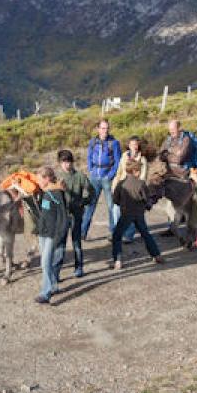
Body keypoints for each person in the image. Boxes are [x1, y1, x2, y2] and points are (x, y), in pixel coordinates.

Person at [111, 159, 164, 270]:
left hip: (126, 213)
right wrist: (148, 205)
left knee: (117, 236)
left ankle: (118, 260)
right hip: (139, 213)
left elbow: (115, 200)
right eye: (138, 170)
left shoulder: (121, 184)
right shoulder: (141, 184)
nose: (140, 172)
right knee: (146, 234)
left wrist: (123, 204)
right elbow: (147, 199)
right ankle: (156, 255)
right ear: (134, 171)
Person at [55, 150, 95, 278]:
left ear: (72, 162)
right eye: (64, 162)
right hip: (62, 216)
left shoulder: (80, 176)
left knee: (76, 242)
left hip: (76, 215)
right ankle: (56, 273)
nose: (67, 164)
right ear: (60, 163)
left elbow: (91, 192)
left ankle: (79, 267)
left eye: (69, 161)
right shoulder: (57, 178)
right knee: (60, 245)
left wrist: (83, 202)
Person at [82, 119, 121, 240]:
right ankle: (82, 233)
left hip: (107, 178)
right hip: (95, 177)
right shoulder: (93, 142)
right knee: (90, 206)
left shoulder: (114, 143)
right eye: (103, 128)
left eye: (107, 128)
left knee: (111, 206)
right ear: (98, 129)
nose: (105, 130)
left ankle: (113, 232)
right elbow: (89, 157)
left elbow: (117, 161)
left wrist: (110, 175)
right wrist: (91, 170)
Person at [34, 166, 69, 304]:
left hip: (52, 234)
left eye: (39, 179)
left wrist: (59, 235)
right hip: (44, 232)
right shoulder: (46, 193)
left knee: (45, 263)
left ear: (47, 178)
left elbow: (62, 217)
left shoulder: (56, 194)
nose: (38, 182)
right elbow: (46, 213)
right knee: (48, 261)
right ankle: (53, 286)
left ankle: (45, 292)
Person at [112, 135, 148, 243]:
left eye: (136, 144)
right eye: (132, 144)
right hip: (122, 186)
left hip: (134, 188)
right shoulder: (124, 156)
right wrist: (114, 185)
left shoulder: (142, 159)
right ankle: (117, 232)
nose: (134, 147)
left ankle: (129, 236)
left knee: (131, 212)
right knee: (116, 210)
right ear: (129, 145)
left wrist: (138, 188)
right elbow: (119, 172)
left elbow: (143, 177)